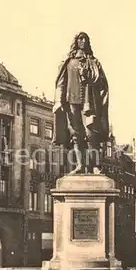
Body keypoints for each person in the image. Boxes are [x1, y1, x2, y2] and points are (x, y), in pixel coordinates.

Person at [53, 32, 109, 174]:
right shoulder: (68, 62)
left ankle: (95, 166)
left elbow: (102, 82)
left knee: (91, 134)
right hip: (71, 101)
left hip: (89, 103)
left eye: (85, 39)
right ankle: (80, 165)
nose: (83, 41)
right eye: (80, 38)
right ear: (76, 41)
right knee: (76, 134)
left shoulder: (94, 62)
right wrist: (59, 101)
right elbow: (61, 82)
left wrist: (88, 76)